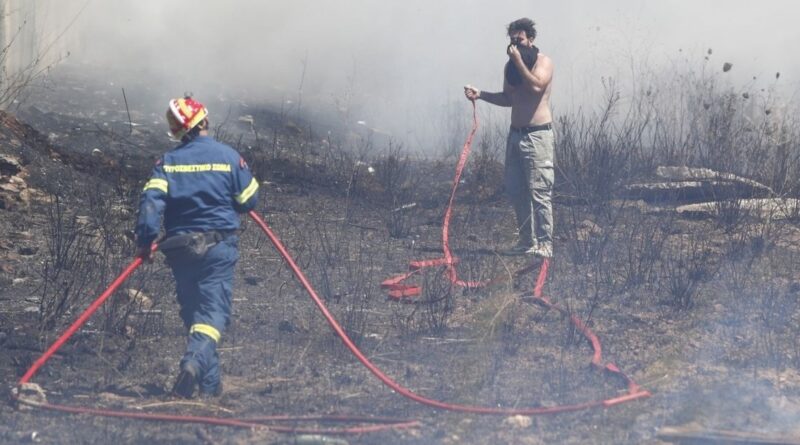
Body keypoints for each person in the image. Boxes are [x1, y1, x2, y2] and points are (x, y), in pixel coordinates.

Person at [134, 96, 259, 398]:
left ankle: (210, 387)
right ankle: (191, 364)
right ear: (204, 121)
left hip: (179, 249)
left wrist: (146, 240)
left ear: (177, 131)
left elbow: (151, 203)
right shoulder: (229, 157)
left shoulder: (167, 162)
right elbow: (248, 202)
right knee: (213, 315)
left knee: (195, 316)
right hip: (217, 247)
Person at [464, 17, 555, 258]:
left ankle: (545, 244)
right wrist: (480, 94)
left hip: (537, 136)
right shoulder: (511, 68)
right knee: (516, 190)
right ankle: (526, 241)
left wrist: (517, 60)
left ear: (531, 39)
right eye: (512, 40)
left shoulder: (543, 62)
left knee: (539, 191)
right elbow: (508, 98)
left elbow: (536, 86)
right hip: (515, 136)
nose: (515, 44)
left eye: (520, 39)